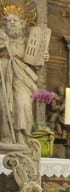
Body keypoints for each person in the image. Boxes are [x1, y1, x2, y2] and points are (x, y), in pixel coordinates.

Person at [0, 12, 46, 145]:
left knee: (22, 104)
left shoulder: (28, 42)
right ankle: (8, 136)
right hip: (5, 75)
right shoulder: (1, 40)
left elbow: (36, 62)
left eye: (15, 20)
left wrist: (43, 57)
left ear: (22, 24)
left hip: (23, 78)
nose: (12, 23)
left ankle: (23, 135)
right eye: (9, 21)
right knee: (5, 106)